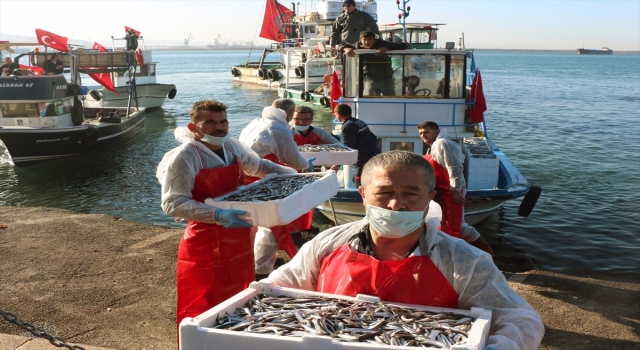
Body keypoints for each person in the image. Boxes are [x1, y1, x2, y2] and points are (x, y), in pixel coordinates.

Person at [267, 151, 544, 350]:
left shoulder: (462, 260)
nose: (396, 204)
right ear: (363, 195)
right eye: (384, 192)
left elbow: (519, 318)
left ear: (429, 198)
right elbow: (278, 287)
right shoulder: (327, 243)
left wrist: (498, 346)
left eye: (411, 194)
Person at [156, 100, 297, 328]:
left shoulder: (232, 146)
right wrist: (218, 215)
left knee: (238, 294)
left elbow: (259, 166)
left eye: (223, 121)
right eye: (210, 122)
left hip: (239, 235)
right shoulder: (185, 156)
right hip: (204, 239)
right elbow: (172, 202)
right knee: (205, 301)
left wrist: (292, 174)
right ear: (194, 127)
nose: (219, 127)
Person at [239, 99, 314, 278]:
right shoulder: (279, 129)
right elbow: (294, 160)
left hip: (247, 178)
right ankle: (261, 270)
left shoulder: (256, 122)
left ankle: (251, 261)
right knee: (272, 226)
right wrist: (307, 164)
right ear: (289, 114)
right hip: (266, 178)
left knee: (253, 225)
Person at [418, 121, 494, 255]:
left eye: (426, 132)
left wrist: (456, 190)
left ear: (437, 131)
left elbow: (455, 167)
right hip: (442, 192)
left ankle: (485, 249)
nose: (423, 135)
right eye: (421, 133)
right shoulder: (432, 147)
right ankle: (450, 251)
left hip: (451, 190)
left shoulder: (443, 144)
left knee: (458, 225)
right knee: (444, 224)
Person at [341, 30, 408, 96]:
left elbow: (404, 45)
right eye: (364, 40)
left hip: (386, 78)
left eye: (369, 39)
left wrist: (386, 48)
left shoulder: (381, 44)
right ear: (360, 40)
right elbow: (341, 46)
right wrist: (346, 49)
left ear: (374, 40)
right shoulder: (357, 45)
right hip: (371, 78)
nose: (367, 42)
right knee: (371, 99)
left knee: (390, 99)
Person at [331, 104, 380, 183]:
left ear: (338, 114)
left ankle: (360, 192)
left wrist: (337, 165)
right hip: (373, 154)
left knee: (360, 180)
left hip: (363, 158)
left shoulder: (347, 126)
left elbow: (347, 148)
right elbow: (373, 137)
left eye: (335, 114)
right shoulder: (359, 122)